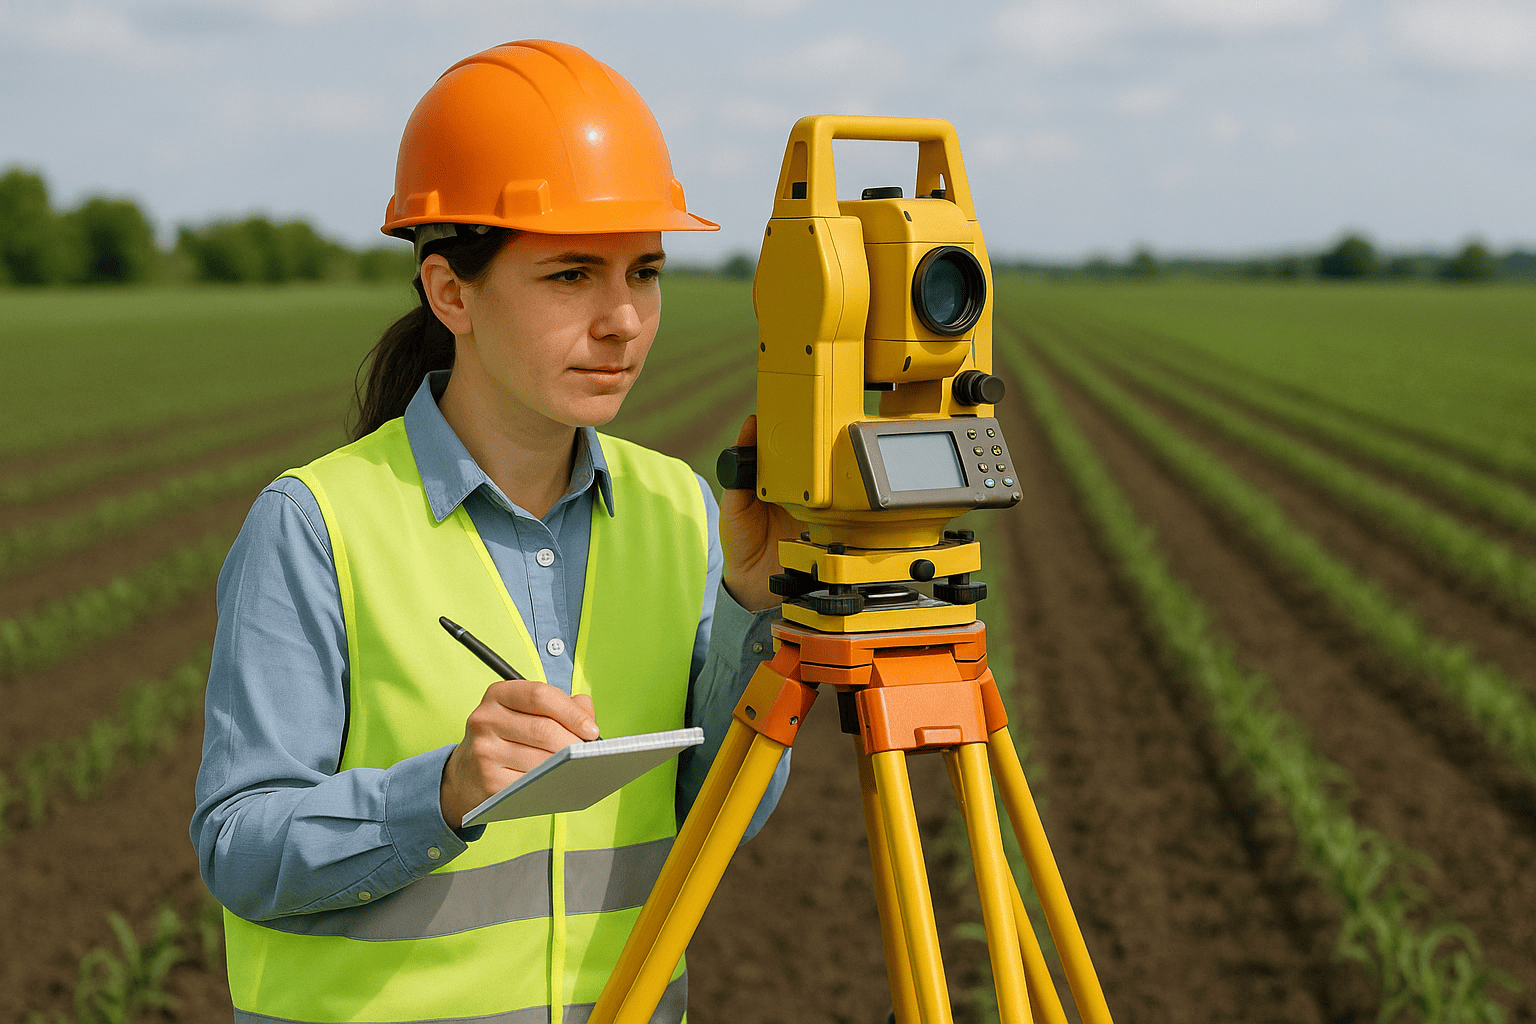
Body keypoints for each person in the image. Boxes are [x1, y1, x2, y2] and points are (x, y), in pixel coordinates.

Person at [190, 39, 798, 1024]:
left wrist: (751, 613)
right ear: (450, 291)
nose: (624, 320)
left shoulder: (681, 509)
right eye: (570, 276)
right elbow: (237, 843)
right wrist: (441, 794)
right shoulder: (316, 527)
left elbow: (720, 817)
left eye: (645, 272)